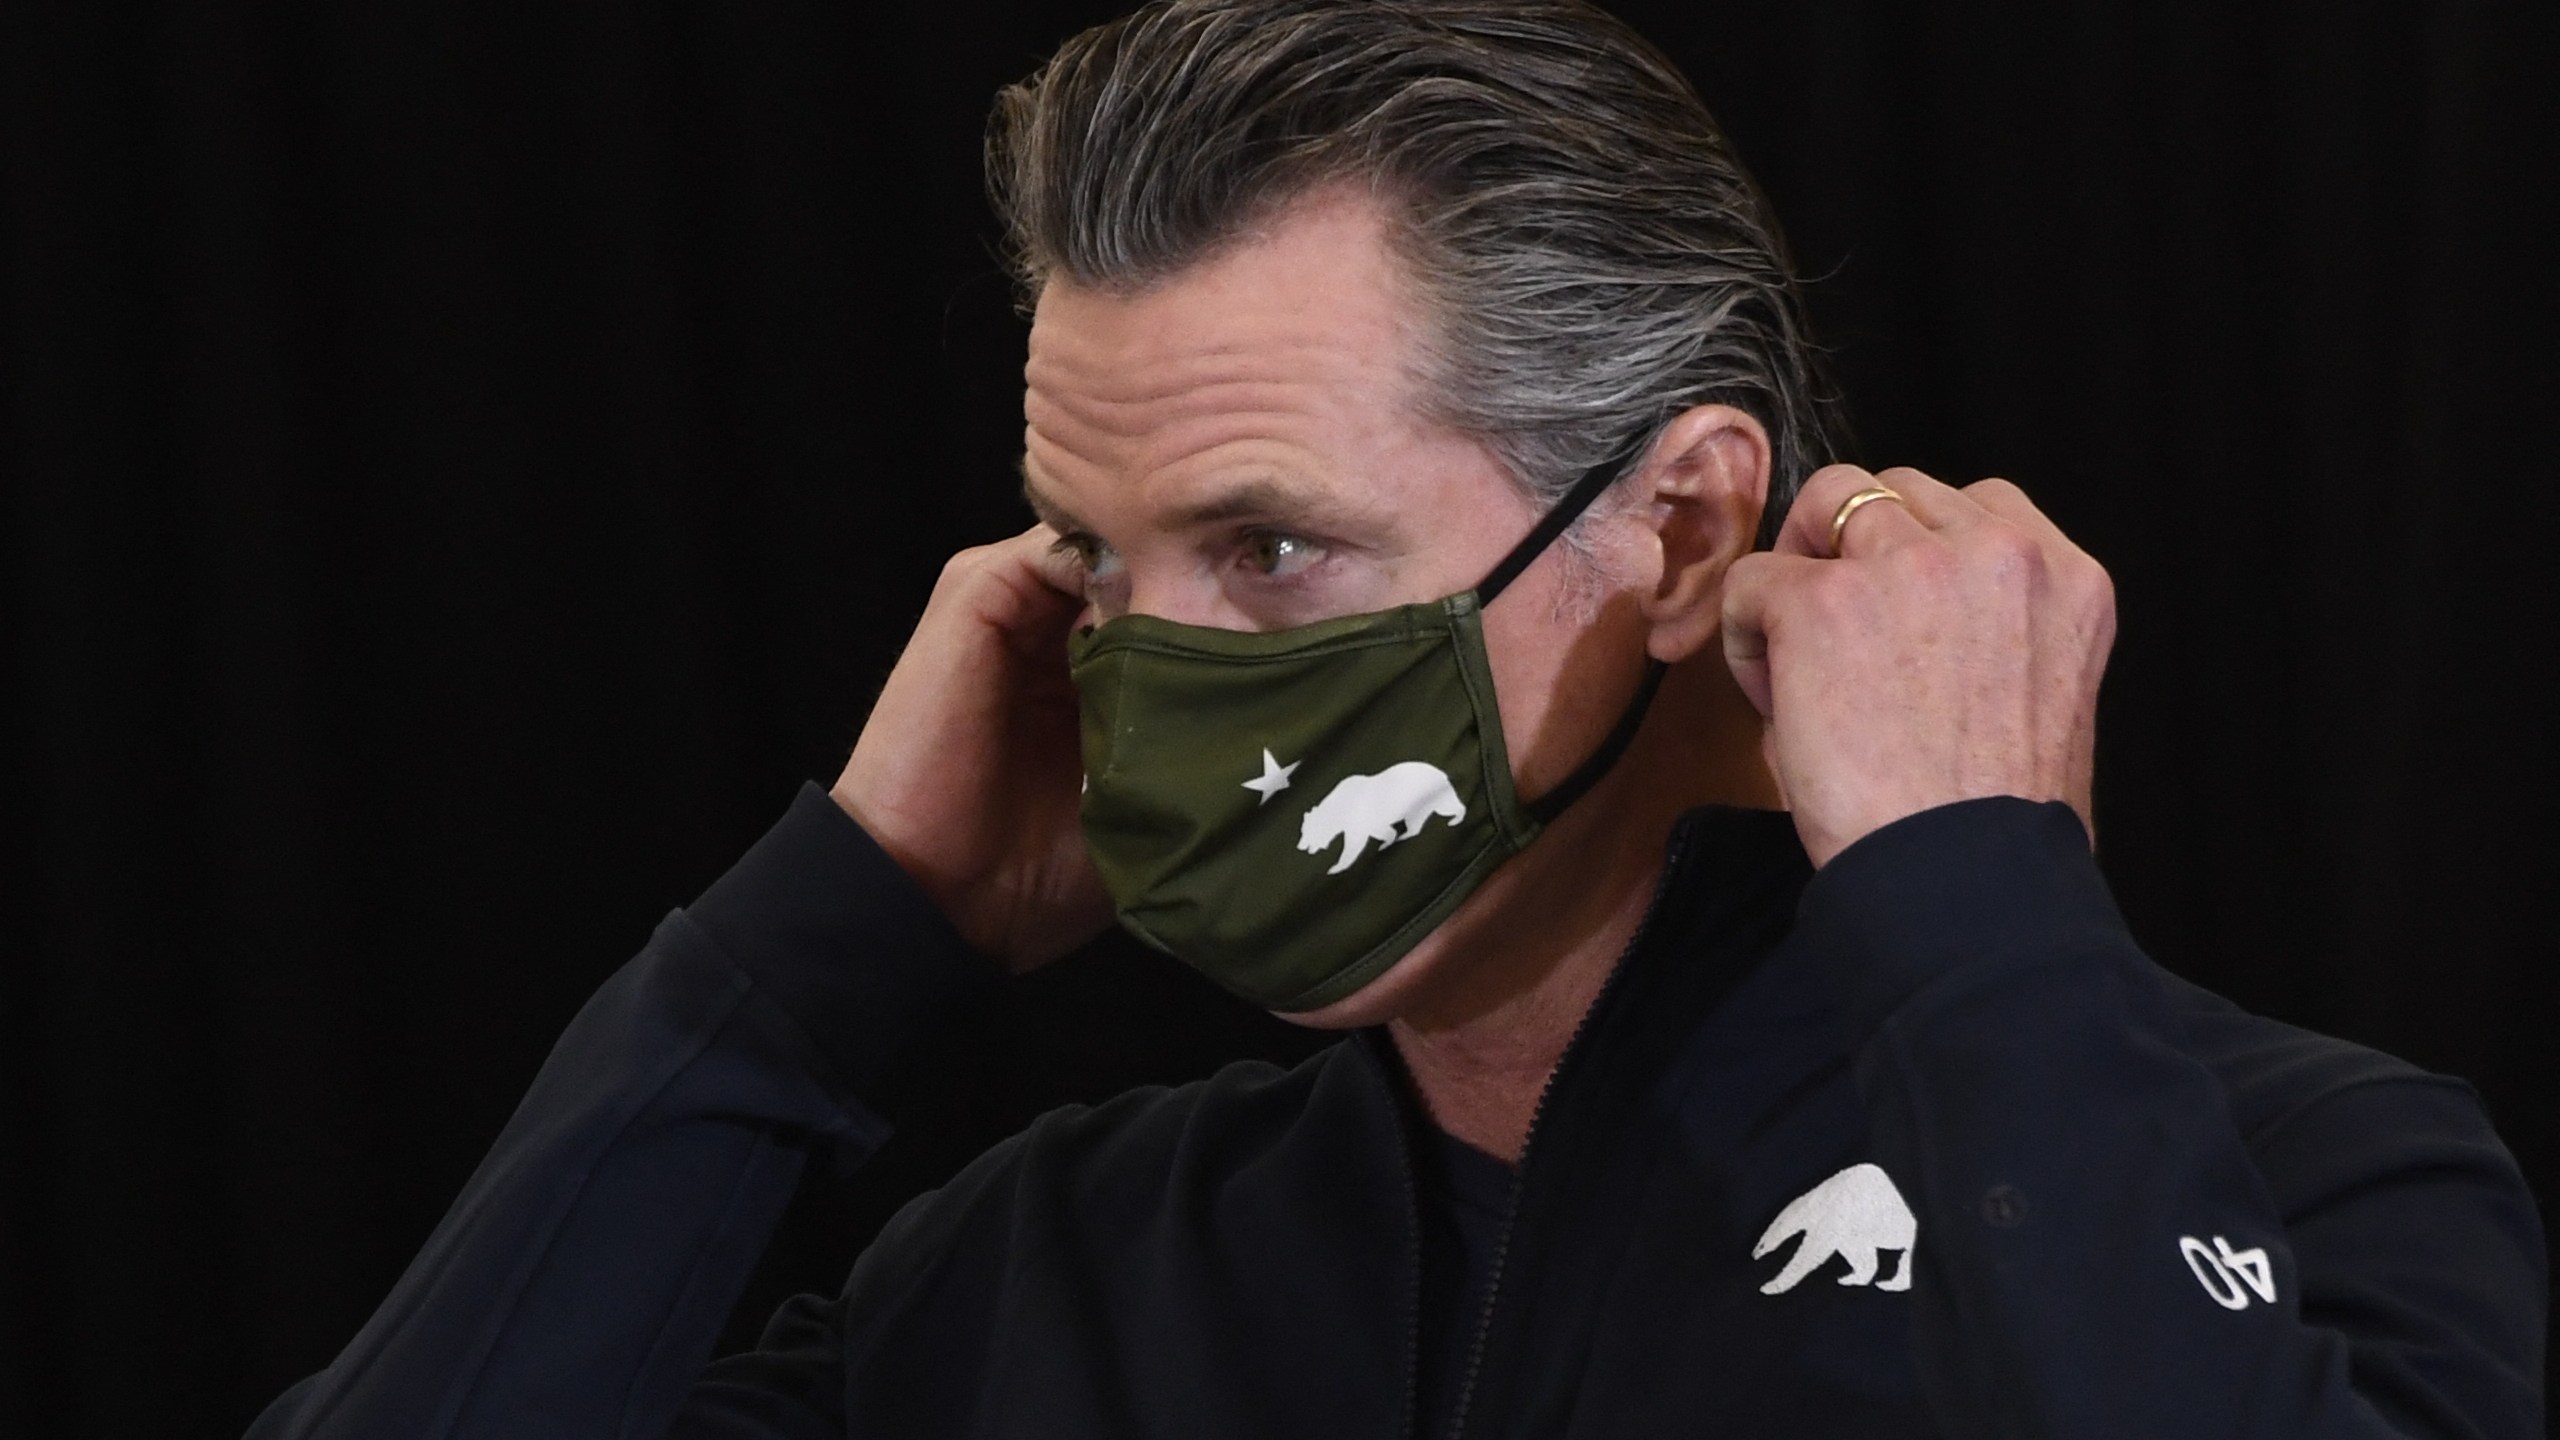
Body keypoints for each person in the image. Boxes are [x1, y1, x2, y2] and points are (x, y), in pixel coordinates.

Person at [247, 2, 2545, 1436]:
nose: (1138, 677)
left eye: (1266, 551)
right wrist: (814, 952)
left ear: (1672, 530)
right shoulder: (1045, 1287)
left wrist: (1974, 917)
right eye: (1084, 561)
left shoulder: (2298, 1186)